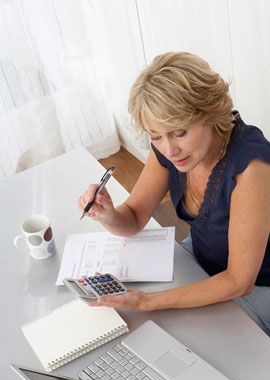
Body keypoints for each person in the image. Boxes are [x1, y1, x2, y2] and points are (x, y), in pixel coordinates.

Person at [78, 52, 270, 336]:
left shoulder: (252, 167)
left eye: (179, 133)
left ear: (210, 113)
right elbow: (133, 217)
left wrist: (149, 301)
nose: (168, 150)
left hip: (257, 283)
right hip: (201, 261)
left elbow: (239, 280)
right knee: (138, 329)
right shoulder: (173, 151)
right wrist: (109, 215)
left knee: (196, 343)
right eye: (155, 136)